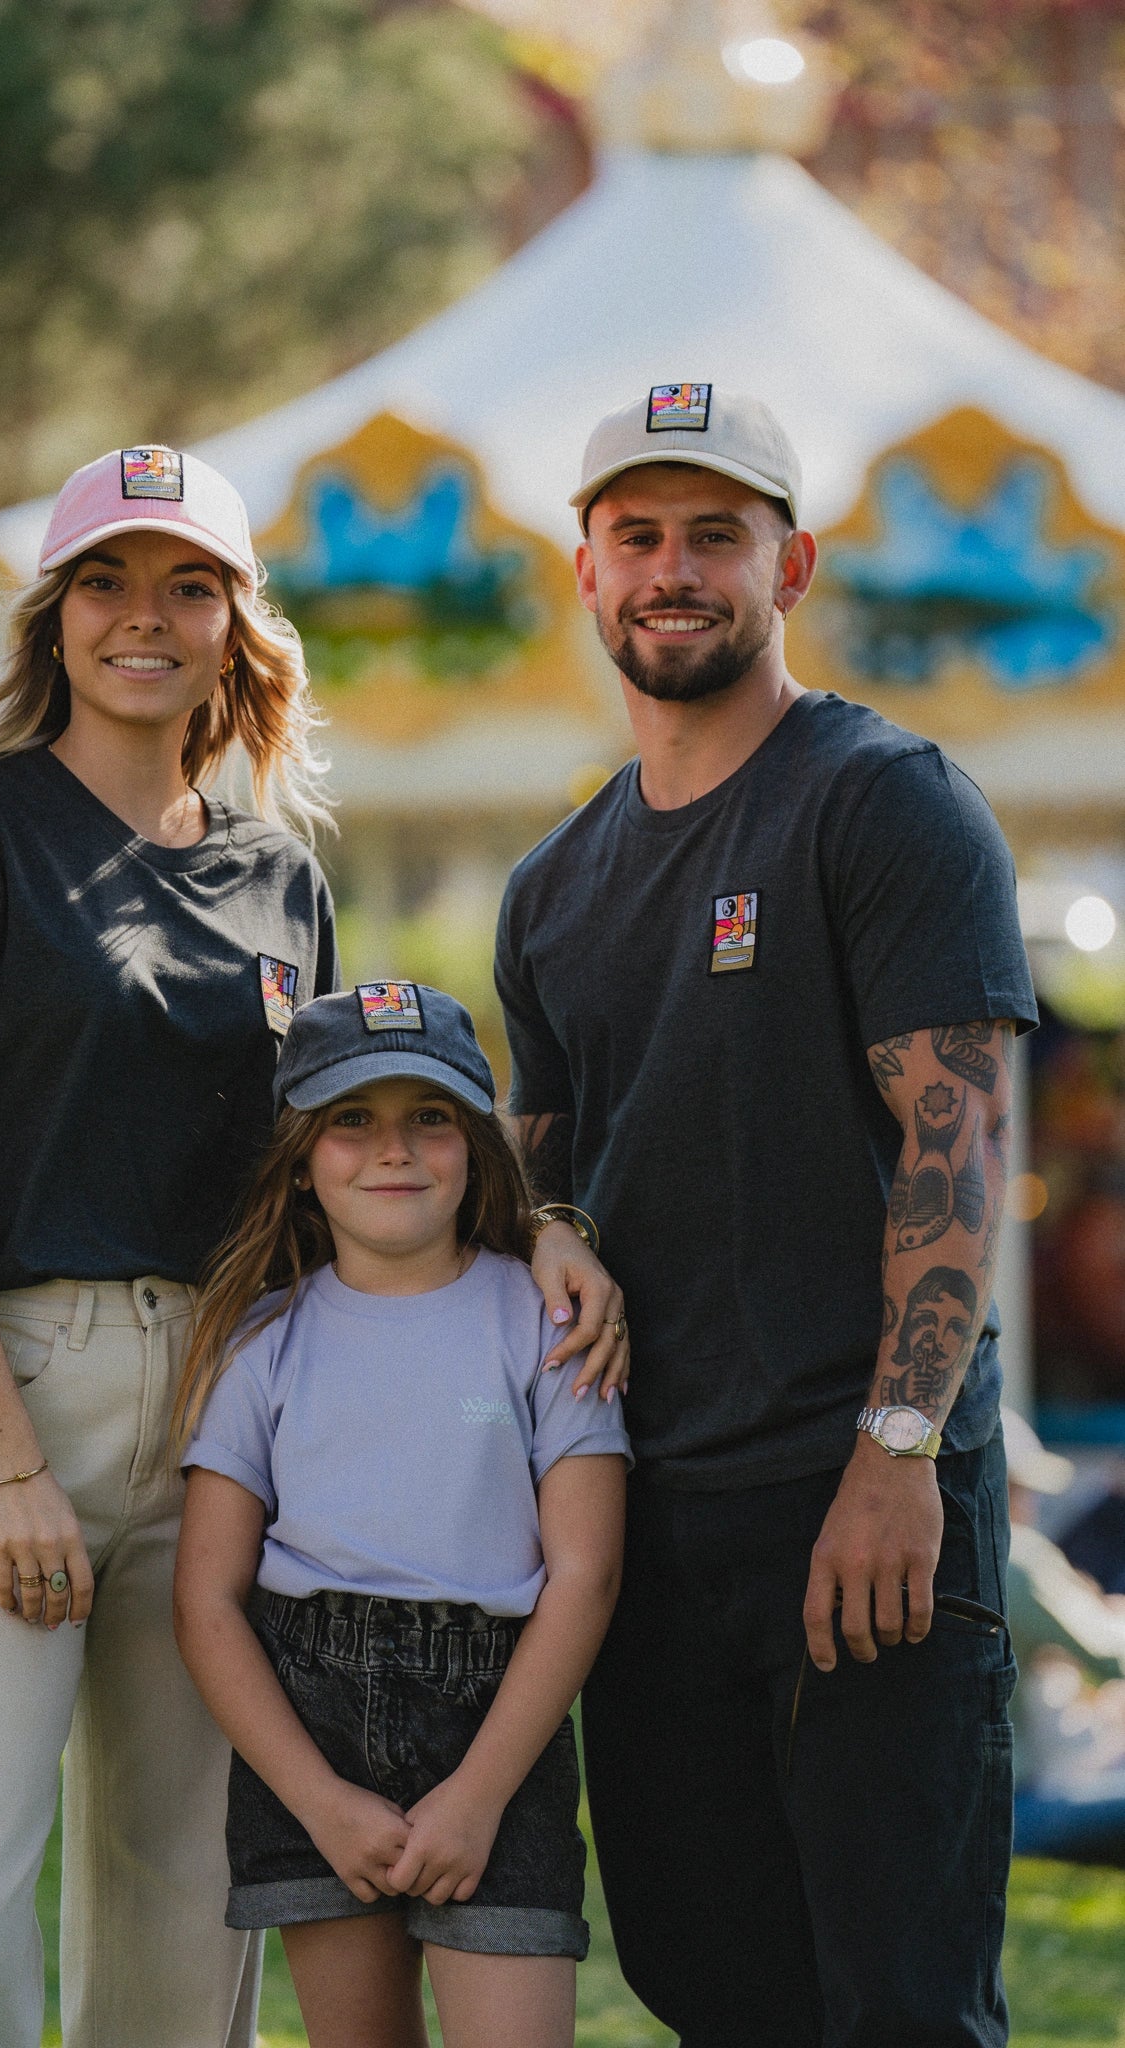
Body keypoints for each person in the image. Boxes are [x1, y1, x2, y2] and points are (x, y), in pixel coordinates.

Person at [0, 444, 619, 2048]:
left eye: (188, 584)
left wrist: (540, 1230)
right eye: (108, 583)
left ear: (234, 624)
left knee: (186, 1916)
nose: (148, 616)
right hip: (11, 1379)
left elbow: (350, 1146)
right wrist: (3, 1462)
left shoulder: (279, 879)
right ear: (54, 619)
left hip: (229, 1403)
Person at [494, 386, 1040, 2046]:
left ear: (788, 561)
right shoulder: (552, 884)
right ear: (585, 572)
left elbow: (960, 1140)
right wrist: (547, 1222)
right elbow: (540, 1162)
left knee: (900, 2004)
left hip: (860, 1506)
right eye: (638, 534)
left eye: (714, 534)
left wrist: (895, 1455)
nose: (676, 569)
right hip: (651, 1530)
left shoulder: (883, 803)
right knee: (709, 1986)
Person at [171, 984, 630, 2048]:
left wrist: (477, 1794)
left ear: (475, 1141)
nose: (394, 1149)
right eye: (352, 1119)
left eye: (428, 1115)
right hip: (310, 1728)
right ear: (299, 1156)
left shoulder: (550, 1321)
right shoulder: (261, 1344)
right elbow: (205, 1598)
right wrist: (320, 1799)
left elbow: (587, 1573)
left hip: (497, 1726)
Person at [1002, 1409, 1125, 1864]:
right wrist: (1111, 1613)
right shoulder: (1013, 1555)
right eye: (1022, 1490)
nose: (1030, 1506)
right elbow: (1112, 1658)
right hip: (1020, 1805)